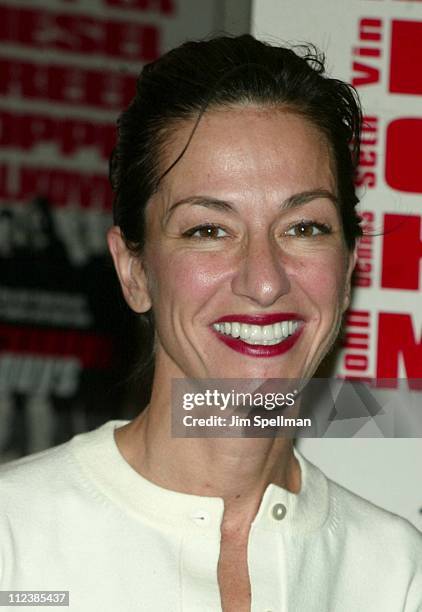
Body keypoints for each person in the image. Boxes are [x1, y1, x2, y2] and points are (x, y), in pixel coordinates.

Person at [0, 34, 421, 612]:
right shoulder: (14, 539)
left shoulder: (397, 574)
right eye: (208, 230)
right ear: (135, 271)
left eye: (304, 227)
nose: (265, 279)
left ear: (348, 268)